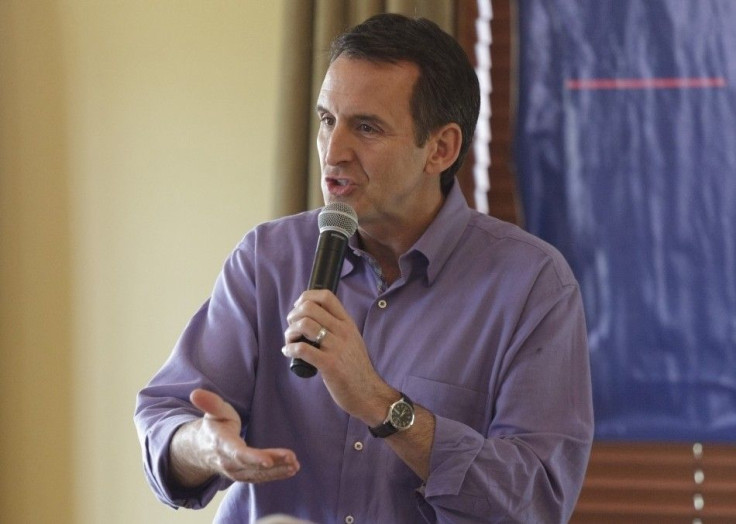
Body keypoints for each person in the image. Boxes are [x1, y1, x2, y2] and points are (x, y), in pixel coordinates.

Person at [134, 13, 593, 523]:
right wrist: (205, 447)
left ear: (440, 149)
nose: (333, 152)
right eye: (327, 119)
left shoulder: (532, 286)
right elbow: (165, 420)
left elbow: (536, 502)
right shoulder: (268, 259)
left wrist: (382, 405)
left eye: (367, 128)